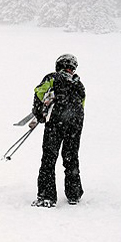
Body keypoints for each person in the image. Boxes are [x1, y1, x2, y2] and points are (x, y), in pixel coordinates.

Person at [31, 54, 86, 208]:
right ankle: (74, 193)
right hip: (75, 125)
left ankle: (46, 196)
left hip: (56, 123)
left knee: (49, 158)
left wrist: (39, 113)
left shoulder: (52, 78)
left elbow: (39, 93)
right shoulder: (79, 84)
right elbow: (82, 104)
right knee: (71, 157)